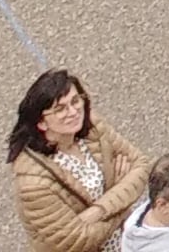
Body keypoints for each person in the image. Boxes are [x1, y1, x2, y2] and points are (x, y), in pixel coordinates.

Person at [8, 71, 149, 252]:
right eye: (60, 109)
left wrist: (98, 210)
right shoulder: (33, 184)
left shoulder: (93, 127)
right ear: (42, 123)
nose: (73, 112)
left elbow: (141, 164)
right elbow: (77, 240)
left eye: (75, 101)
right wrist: (122, 203)